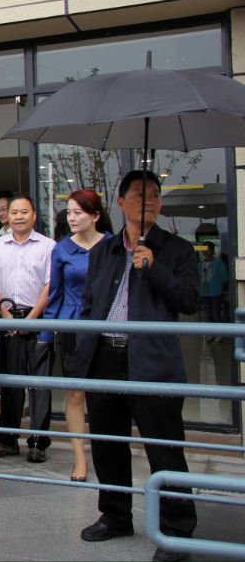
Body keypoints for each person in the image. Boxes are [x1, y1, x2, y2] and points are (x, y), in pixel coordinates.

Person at [74, 171, 199, 562]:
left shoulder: (177, 250)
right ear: (121, 202)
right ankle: (115, 516)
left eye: (156, 195)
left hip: (152, 361)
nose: (150, 202)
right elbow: (90, 304)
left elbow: (190, 301)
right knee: (108, 445)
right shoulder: (104, 251)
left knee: (164, 448)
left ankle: (177, 532)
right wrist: (83, 356)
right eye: (140, 195)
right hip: (105, 358)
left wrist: (155, 268)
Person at [38, 190, 112, 483]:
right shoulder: (62, 248)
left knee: (104, 395)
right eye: (68, 212)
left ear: (95, 216)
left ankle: (107, 455)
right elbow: (55, 293)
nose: (71, 217)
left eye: (78, 212)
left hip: (106, 326)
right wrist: (45, 334)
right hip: (73, 326)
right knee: (76, 393)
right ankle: (80, 459)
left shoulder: (112, 246)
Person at [0, 193, 55, 461]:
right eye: (13, 212)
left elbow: (50, 285)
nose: (18, 217)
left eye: (24, 212)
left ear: (34, 215)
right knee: (9, 383)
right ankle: (7, 439)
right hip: (7, 319)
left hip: (38, 320)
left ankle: (38, 441)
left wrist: (32, 319)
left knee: (39, 385)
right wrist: (4, 313)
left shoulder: (48, 246)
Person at [199, 242, 228, 336]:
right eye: (203, 250)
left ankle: (220, 334)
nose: (205, 252)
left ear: (212, 251)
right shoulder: (200, 264)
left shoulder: (218, 263)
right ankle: (211, 334)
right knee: (208, 315)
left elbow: (225, 278)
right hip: (204, 293)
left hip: (216, 293)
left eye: (207, 249)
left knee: (216, 314)